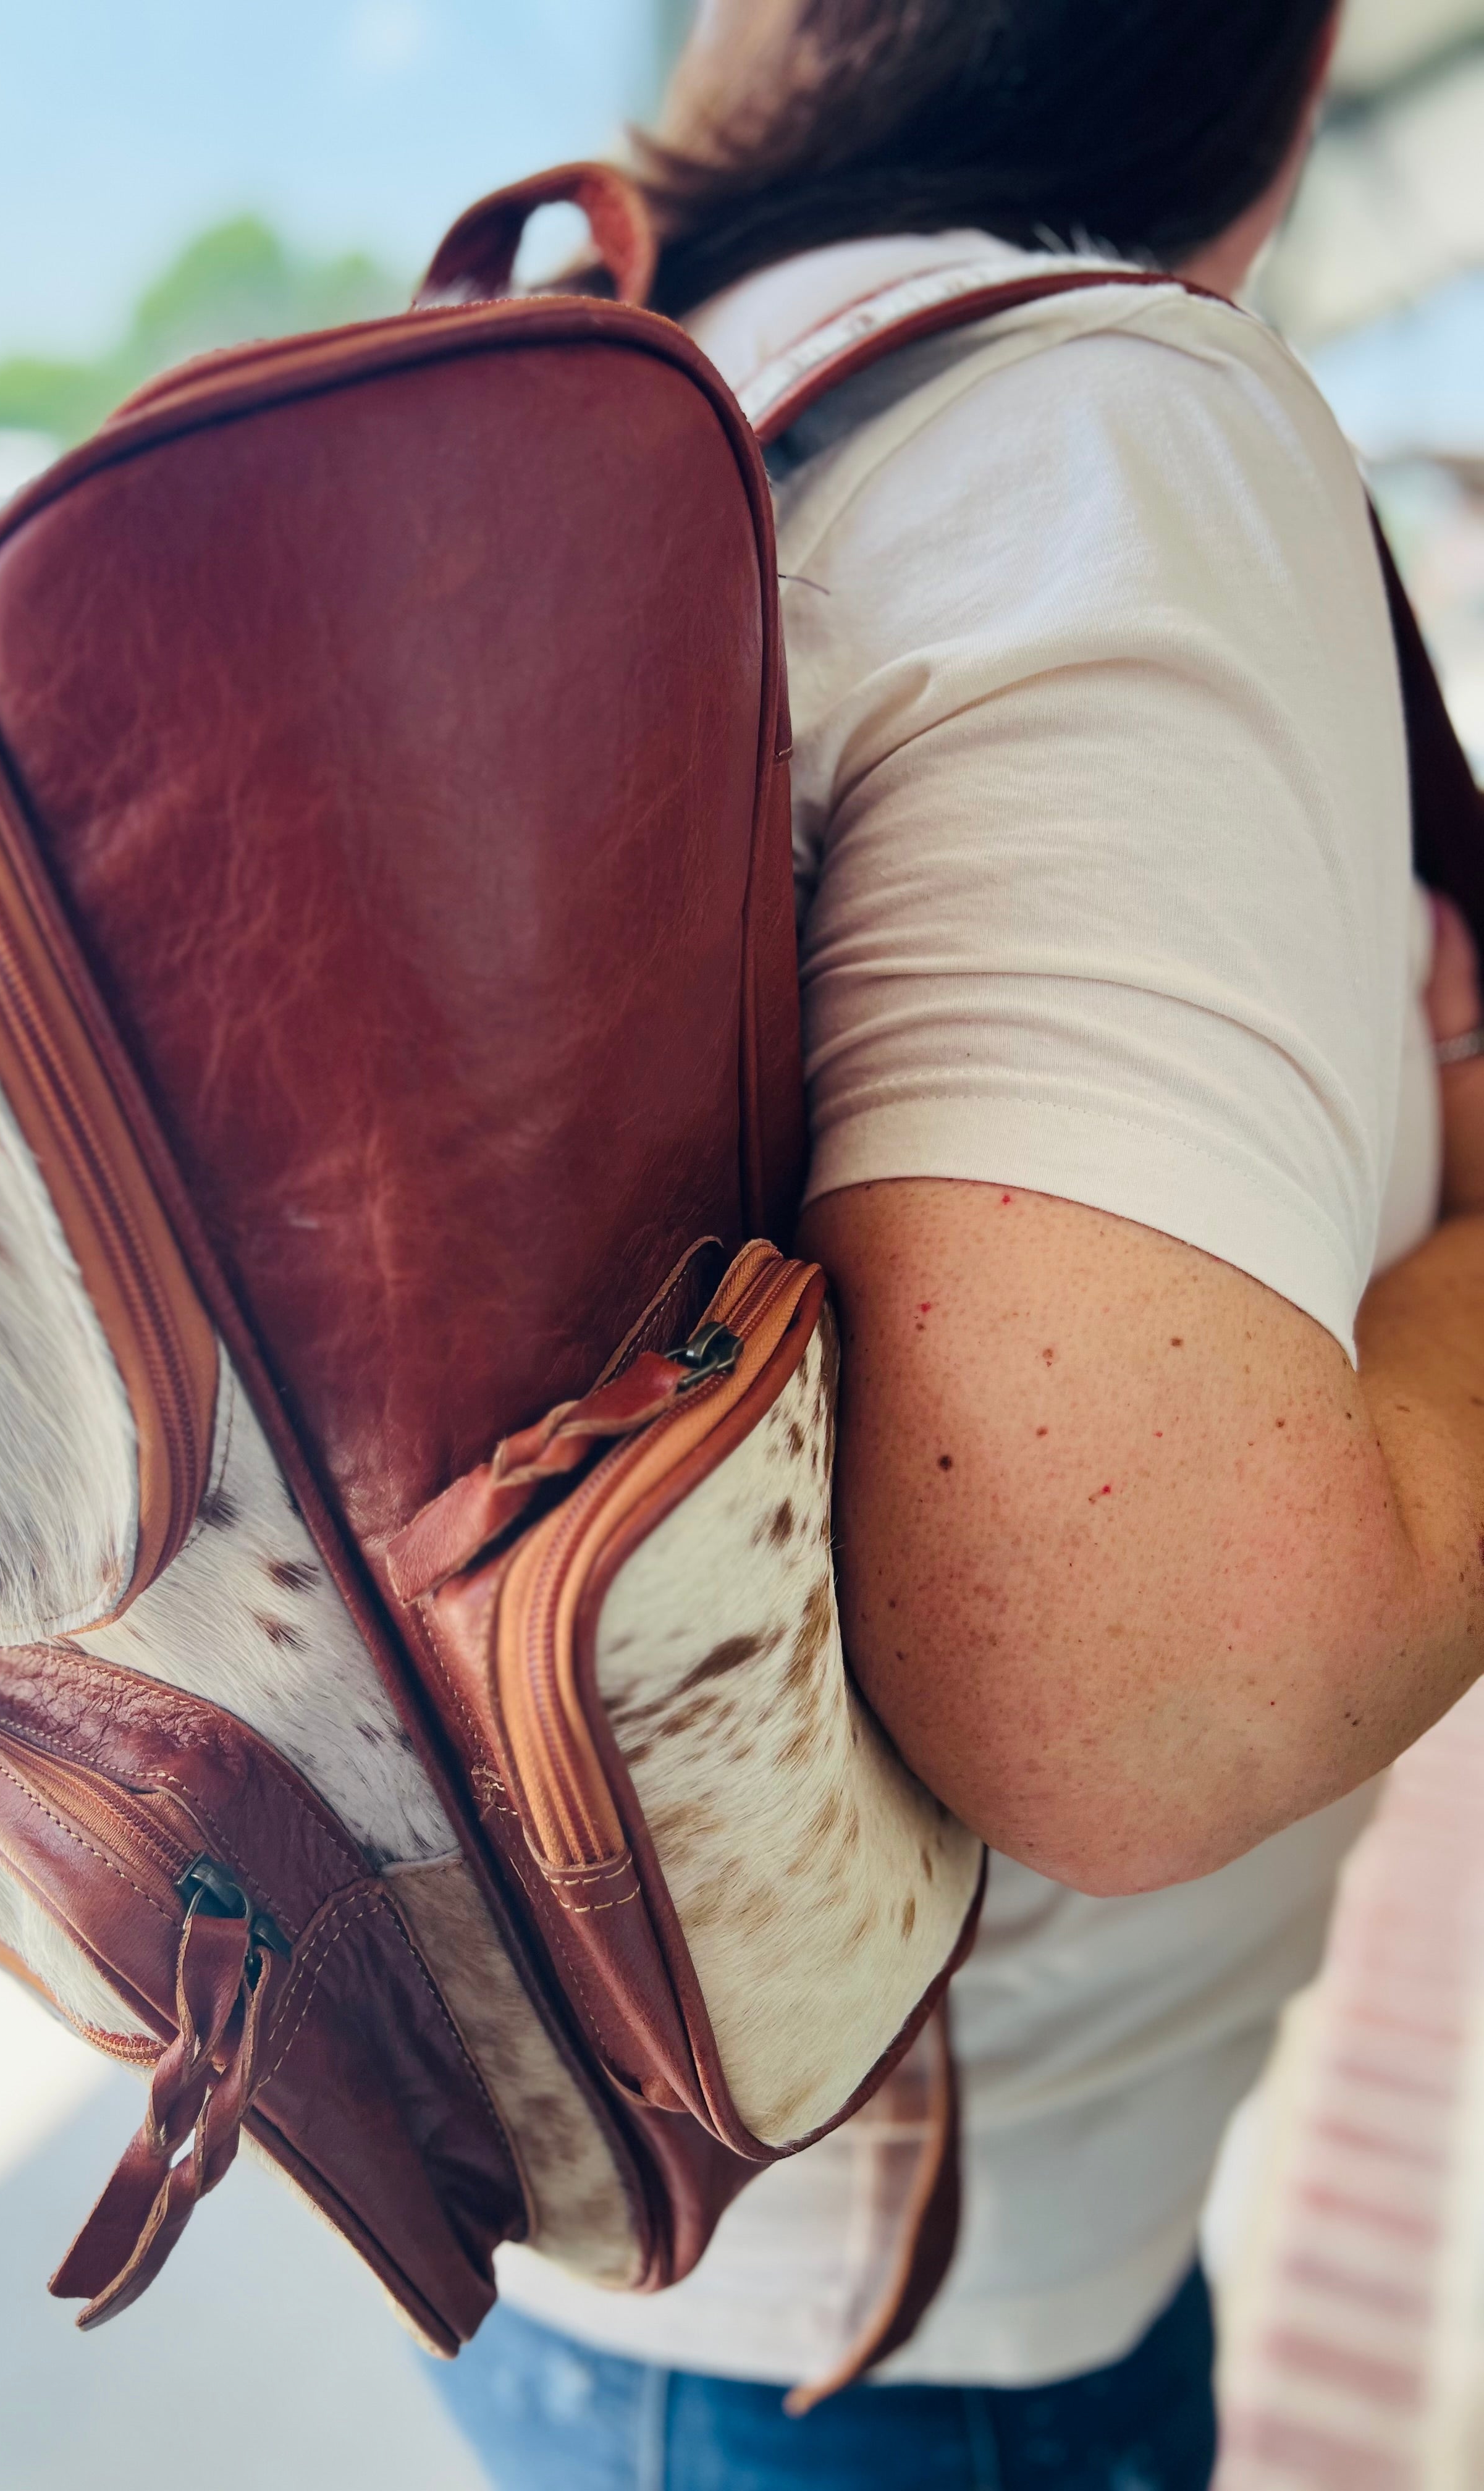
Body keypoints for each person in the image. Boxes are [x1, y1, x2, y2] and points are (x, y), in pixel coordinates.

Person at [429, 4, 1484, 2484]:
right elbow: (1146, 1700)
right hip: (897, 2360)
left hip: (513, 2153)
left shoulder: (620, 377)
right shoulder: (1089, 416)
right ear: (1266, 69)